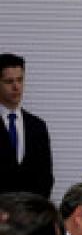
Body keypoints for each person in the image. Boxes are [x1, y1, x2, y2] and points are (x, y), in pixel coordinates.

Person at [0, 54, 53, 198]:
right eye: (9, 81)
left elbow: (46, 176)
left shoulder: (38, 126)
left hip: (31, 214)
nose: (16, 87)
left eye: (20, 80)